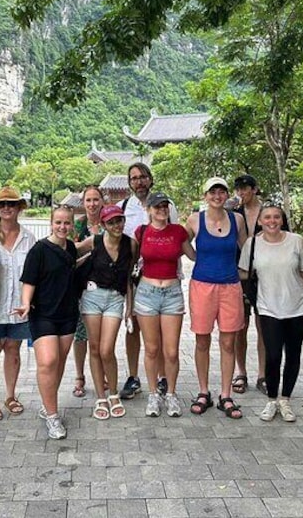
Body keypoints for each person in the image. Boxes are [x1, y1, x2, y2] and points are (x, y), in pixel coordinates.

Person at [239, 202, 303, 423]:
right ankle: (272, 399)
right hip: (268, 307)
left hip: (298, 306)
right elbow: (244, 272)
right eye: (267, 217)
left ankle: (285, 399)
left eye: (276, 217)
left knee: (293, 354)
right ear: (260, 221)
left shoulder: (296, 241)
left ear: (282, 220)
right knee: (272, 355)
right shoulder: (252, 245)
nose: (272, 221)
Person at [13, 206, 80, 440]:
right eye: (58, 223)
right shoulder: (39, 250)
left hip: (68, 313)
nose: (62, 227)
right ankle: (52, 416)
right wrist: (25, 303)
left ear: (72, 225)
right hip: (42, 314)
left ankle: (47, 404)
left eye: (67, 223)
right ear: (51, 223)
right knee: (48, 361)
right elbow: (29, 281)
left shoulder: (70, 248)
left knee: (59, 362)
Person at [185, 177, 247, 419]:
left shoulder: (237, 219)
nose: (217, 196)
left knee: (228, 342)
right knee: (202, 340)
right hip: (202, 285)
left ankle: (226, 393)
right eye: (212, 192)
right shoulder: (195, 219)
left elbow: (246, 248)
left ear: (227, 195)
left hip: (230, 285)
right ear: (205, 195)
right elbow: (183, 242)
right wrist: (195, 258)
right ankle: (203, 391)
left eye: (221, 191)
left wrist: (245, 272)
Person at [133, 192, 196, 417]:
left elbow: (194, 256)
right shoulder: (141, 232)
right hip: (147, 293)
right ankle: (152, 394)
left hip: (172, 293)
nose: (161, 210)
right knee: (151, 348)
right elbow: (128, 259)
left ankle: (170, 393)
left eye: (164, 206)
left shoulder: (178, 231)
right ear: (149, 210)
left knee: (170, 351)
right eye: (157, 207)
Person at [118, 162, 177, 400]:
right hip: (133, 275)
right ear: (129, 183)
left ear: (151, 179)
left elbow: (175, 236)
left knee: (160, 330)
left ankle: (162, 377)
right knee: (132, 326)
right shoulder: (124, 206)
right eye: (134, 178)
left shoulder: (166, 204)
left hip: (161, 275)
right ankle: (133, 377)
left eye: (143, 177)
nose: (139, 181)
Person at [0, 187, 36, 420]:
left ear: (18, 208)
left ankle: (11, 395)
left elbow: (35, 274)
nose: (7, 208)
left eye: (11, 204)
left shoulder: (29, 238)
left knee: (13, 350)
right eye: (2, 204)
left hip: (18, 305)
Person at [80, 204, 134, 419]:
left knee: (106, 349)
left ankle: (113, 393)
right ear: (103, 224)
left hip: (115, 298)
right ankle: (101, 396)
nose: (116, 225)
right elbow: (68, 252)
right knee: (94, 348)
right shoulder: (93, 241)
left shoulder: (131, 244)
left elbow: (130, 275)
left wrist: (129, 307)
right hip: (92, 296)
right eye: (110, 222)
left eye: (119, 220)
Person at [231, 174, 267, 395]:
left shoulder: (270, 212)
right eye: (239, 190)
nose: (242, 193)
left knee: (264, 327)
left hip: (265, 276)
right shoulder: (234, 214)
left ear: (255, 189)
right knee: (239, 327)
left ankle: (263, 374)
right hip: (240, 275)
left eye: (245, 189)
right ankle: (240, 372)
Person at [71, 185, 105, 398]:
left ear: (103, 200)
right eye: (88, 200)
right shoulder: (77, 225)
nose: (92, 204)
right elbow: (70, 254)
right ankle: (80, 375)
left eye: (96, 199)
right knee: (80, 335)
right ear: (83, 203)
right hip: (80, 286)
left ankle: (101, 373)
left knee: (102, 335)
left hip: (105, 285)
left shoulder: (110, 222)